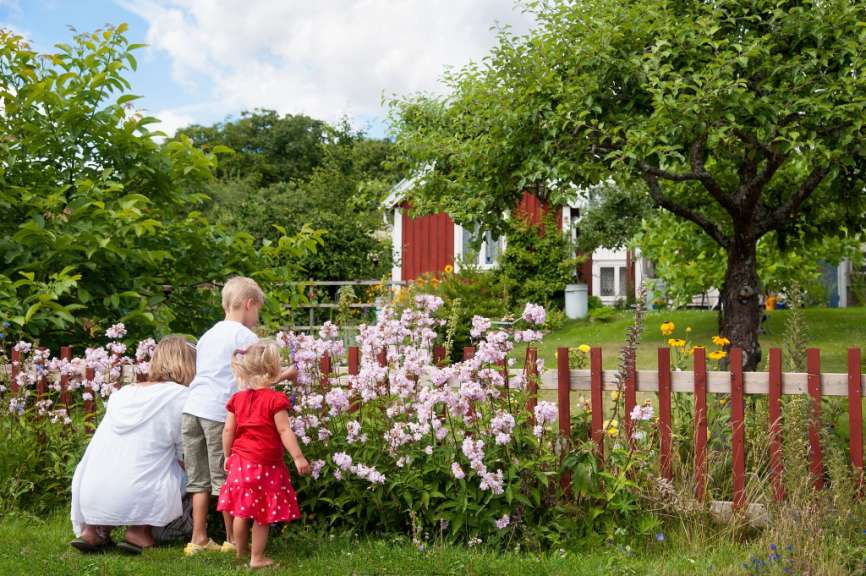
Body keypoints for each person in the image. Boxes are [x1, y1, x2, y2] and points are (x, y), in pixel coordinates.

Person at [181, 277, 296, 556]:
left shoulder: (208, 334)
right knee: (226, 477)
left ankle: (199, 538)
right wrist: (285, 374)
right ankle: (233, 540)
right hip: (217, 413)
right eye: (257, 311)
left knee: (198, 480)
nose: (257, 318)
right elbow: (255, 382)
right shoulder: (244, 337)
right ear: (249, 303)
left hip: (191, 410)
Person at [70, 335, 196, 555]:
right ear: (187, 365)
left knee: (120, 459)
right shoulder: (181, 397)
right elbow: (184, 452)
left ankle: (94, 530)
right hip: (141, 491)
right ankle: (139, 531)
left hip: (90, 488)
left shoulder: (124, 393)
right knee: (184, 470)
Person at [217, 340, 311, 569]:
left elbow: (228, 430)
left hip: (240, 462)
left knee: (241, 510)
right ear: (273, 370)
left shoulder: (237, 399)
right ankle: (257, 558)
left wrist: (227, 455)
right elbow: (284, 430)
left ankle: (241, 552)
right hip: (265, 464)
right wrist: (298, 457)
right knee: (262, 514)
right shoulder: (275, 399)